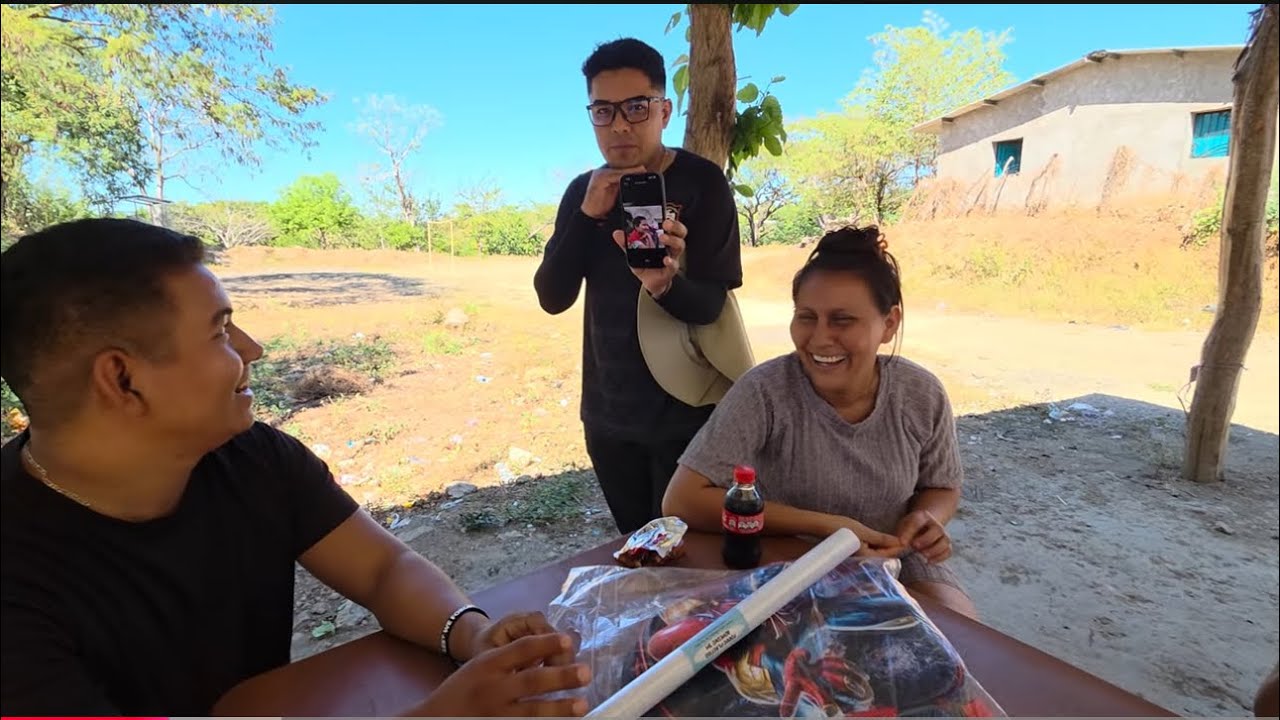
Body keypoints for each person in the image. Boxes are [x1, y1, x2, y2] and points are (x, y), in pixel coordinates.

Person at [0, 218, 591, 716]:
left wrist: (470, 633)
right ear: (122, 379)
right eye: (220, 331)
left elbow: (384, 568)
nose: (253, 350)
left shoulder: (251, 459)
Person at [661, 225, 979, 619]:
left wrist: (926, 519)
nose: (820, 338)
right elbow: (681, 500)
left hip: (894, 554)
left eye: (842, 320)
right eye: (806, 317)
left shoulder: (921, 394)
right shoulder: (764, 391)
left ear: (890, 323)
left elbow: (941, 485)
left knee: (958, 635)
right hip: (790, 555)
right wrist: (832, 529)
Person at [534, 37, 743, 535]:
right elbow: (552, 297)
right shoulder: (581, 193)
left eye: (636, 106)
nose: (621, 124)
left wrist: (665, 284)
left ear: (664, 110)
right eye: (604, 111)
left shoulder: (703, 183)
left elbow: (711, 305)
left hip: (688, 414)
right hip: (607, 415)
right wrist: (586, 216)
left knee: (687, 556)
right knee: (639, 549)